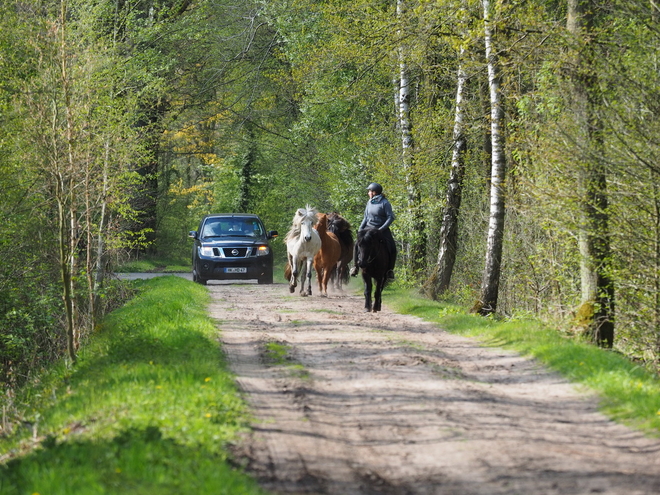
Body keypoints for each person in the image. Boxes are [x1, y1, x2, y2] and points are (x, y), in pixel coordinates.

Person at [350, 182, 397, 280]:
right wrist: (360, 229)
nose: (368, 193)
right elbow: (365, 217)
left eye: (369, 191)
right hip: (368, 228)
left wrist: (381, 229)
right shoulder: (369, 202)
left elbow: (390, 217)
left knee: (392, 247)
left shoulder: (385, 203)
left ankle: (390, 271)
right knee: (357, 244)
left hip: (381, 230)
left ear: (374, 192)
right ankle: (355, 266)